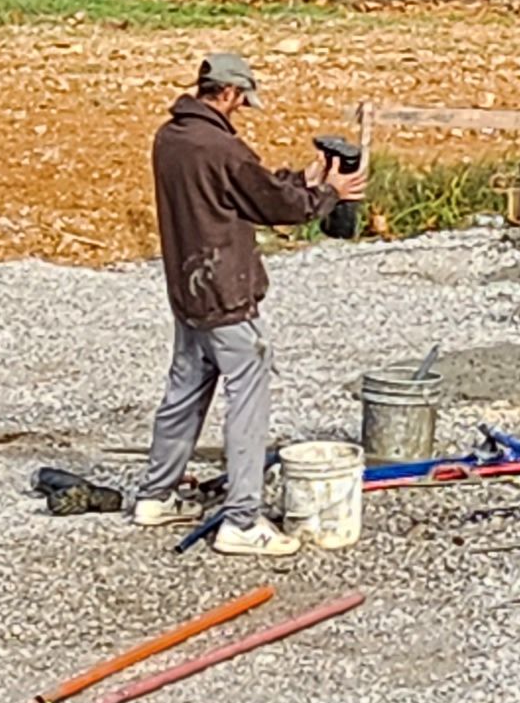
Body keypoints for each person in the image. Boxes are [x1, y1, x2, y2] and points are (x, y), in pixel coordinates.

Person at [140, 53, 363, 551]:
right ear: (230, 93)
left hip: (186, 287)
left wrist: (301, 180)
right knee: (248, 392)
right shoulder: (221, 147)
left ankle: (156, 494)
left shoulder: (170, 139)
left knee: (184, 388)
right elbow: (269, 205)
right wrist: (328, 193)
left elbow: (241, 191)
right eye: (242, 100)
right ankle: (242, 520)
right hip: (225, 291)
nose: (241, 109)